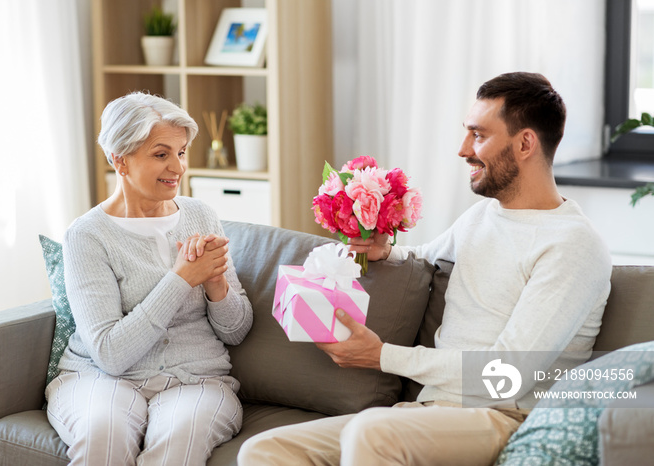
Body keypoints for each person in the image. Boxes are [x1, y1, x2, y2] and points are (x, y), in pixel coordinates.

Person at [237, 72, 612, 465]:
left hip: (504, 419)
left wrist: (381, 355)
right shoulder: (483, 216)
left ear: (525, 143)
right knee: (265, 451)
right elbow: (426, 257)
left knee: (372, 433)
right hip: (429, 415)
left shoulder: (572, 245)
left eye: (478, 135)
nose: (463, 149)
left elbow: (507, 375)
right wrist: (385, 252)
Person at [45, 92, 253, 466]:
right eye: (161, 154)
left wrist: (215, 284)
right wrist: (182, 278)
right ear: (119, 160)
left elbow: (236, 332)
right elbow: (110, 354)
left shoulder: (201, 215)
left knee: (177, 445)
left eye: (182, 152)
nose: (178, 167)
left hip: (196, 380)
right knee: (101, 439)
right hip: (100, 378)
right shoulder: (87, 236)